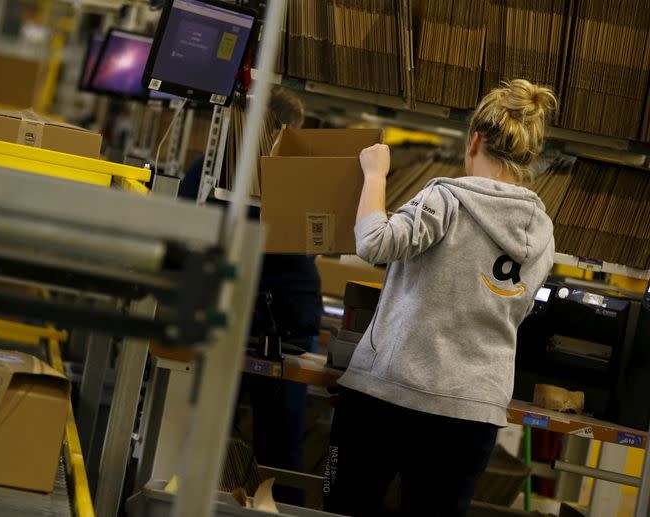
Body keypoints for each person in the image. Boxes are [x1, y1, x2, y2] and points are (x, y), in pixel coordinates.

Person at [323, 79, 557, 517]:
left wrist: (375, 174)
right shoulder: (543, 234)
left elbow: (374, 243)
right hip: (472, 415)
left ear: (473, 140)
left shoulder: (446, 198)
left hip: (390, 394)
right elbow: (517, 311)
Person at [179, 88, 321, 506]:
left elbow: (186, 226)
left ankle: (195, 503)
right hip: (286, 324)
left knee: (206, 431)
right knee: (279, 447)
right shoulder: (300, 176)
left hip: (237, 318)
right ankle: (280, 509)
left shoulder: (212, 169)